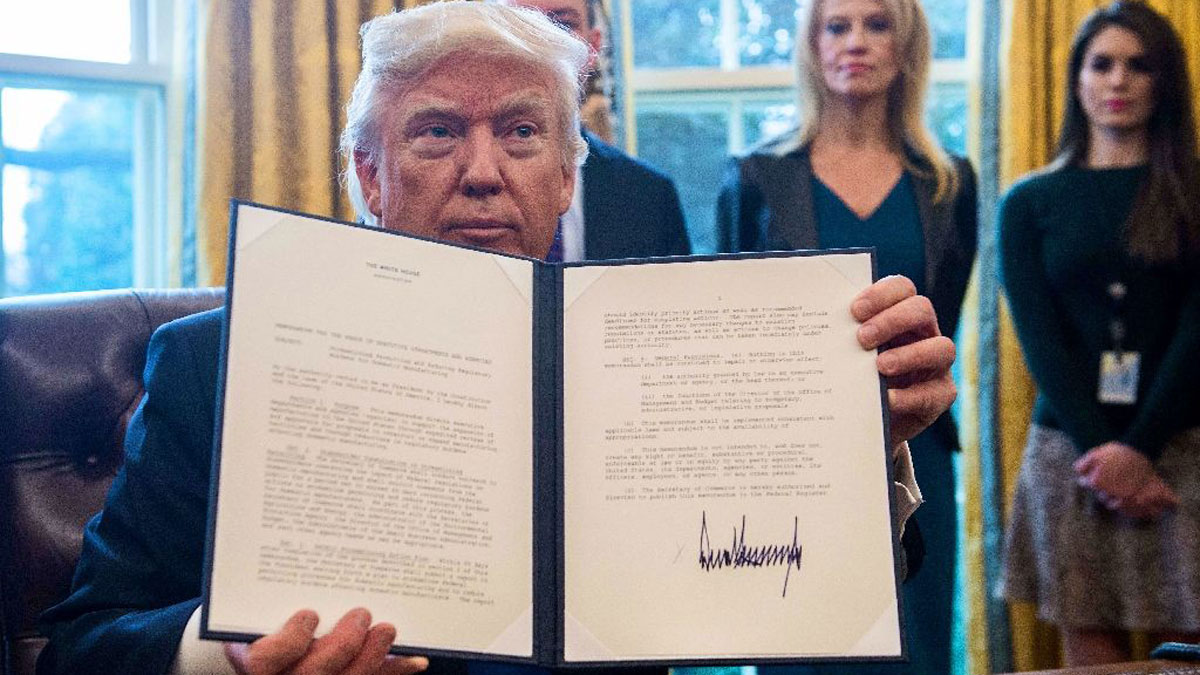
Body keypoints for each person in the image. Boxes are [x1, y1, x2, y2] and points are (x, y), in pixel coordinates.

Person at [37, 3, 956, 674]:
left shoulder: (643, 358)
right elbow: (83, 645)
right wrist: (226, 655)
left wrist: (852, 439)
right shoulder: (212, 360)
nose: (483, 173)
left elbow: (780, 590)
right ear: (369, 172)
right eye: (436, 133)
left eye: (520, 133)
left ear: (564, 177)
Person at [715, 0, 977, 673]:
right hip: (789, 464)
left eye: (877, 24)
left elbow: (938, 328)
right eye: (837, 26)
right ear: (812, 44)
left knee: (913, 650)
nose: (855, 41)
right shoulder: (755, 178)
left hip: (916, 457)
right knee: (797, 647)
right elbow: (728, 335)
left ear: (906, 44)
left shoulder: (949, 182)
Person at [999, 1, 1200, 667]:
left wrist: (1138, 449)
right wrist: (1103, 452)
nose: (1118, 80)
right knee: (1088, 644)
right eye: (1102, 63)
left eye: (1138, 65)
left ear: (1165, 81)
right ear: (1077, 80)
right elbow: (1040, 341)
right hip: (1071, 454)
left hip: (1181, 447)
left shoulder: (1195, 192)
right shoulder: (1027, 202)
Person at [493, 0, 691, 262]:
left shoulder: (651, 198)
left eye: (563, 24)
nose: (543, 43)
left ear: (593, 47)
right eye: (521, 25)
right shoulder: (454, 183)